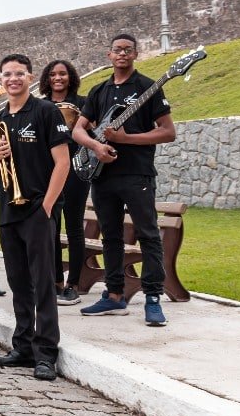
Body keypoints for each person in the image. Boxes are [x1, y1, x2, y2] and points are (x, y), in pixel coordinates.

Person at [73, 34, 176, 326]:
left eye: (128, 49)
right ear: (109, 55)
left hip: (137, 174)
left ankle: (153, 298)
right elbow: (78, 131)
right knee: (111, 236)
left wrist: (126, 139)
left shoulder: (148, 87)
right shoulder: (99, 90)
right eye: (117, 49)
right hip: (102, 175)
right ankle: (114, 295)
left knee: (148, 234)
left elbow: (168, 132)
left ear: (135, 54)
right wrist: (96, 147)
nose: (122, 54)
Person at [0, 54, 70, 381]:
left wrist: (47, 206)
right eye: (7, 74)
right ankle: (22, 346)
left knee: (43, 283)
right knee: (18, 284)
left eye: (19, 73)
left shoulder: (47, 111)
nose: (13, 79)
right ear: (1, 80)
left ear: (30, 77)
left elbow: (62, 163)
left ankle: (46, 352)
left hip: (37, 209)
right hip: (9, 211)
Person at [38, 59, 89, 306]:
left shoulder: (84, 103)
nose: (58, 78)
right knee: (51, 228)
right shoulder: (40, 106)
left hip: (76, 170)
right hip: (48, 171)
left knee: (74, 227)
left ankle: (73, 284)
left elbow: (93, 132)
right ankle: (56, 280)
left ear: (71, 77)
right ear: (47, 79)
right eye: (53, 74)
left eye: (63, 73)